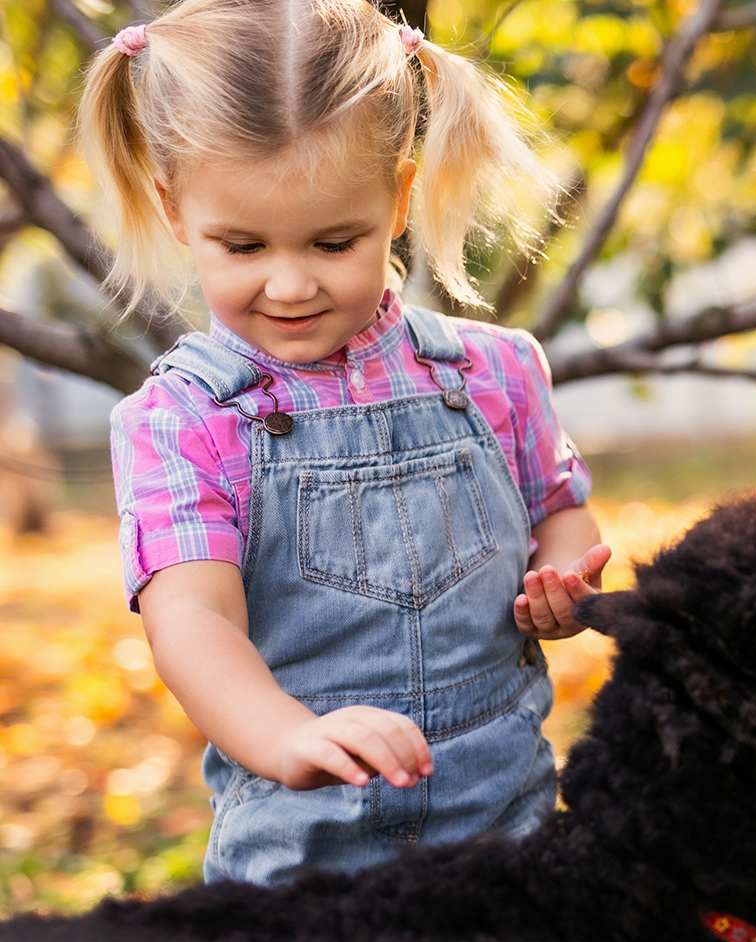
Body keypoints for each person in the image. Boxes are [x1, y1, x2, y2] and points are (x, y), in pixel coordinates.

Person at [88, 0, 608, 886]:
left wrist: (560, 578)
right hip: (303, 848)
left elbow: (562, 512)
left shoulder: (494, 373)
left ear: (399, 198)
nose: (289, 283)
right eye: (242, 245)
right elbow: (194, 619)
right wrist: (284, 734)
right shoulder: (182, 420)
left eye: (335, 242)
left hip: (506, 825)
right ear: (177, 212)